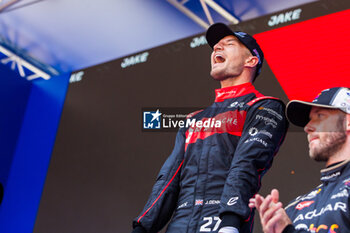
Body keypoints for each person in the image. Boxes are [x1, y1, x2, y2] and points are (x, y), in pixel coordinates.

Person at [132, 23, 288, 233]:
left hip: (222, 220)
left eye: (228, 44)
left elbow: (247, 163)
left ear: (251, 60)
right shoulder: (193, 120)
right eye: (215, 46)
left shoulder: (264, 106)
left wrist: (230, 223)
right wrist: (142, 228)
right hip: (180, 222)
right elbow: (168, 178)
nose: (216, 48)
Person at [249, 87, 350, 233]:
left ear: (348, 122)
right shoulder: (294, 208)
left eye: (320, 116)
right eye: (309, 120)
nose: (307, 127)